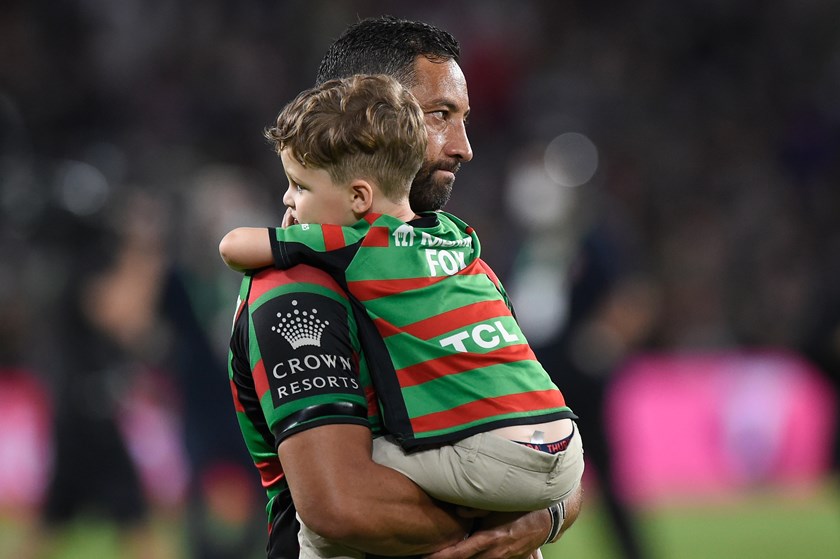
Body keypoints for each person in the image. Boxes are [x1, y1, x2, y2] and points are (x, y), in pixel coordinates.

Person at [225, 15, 583, 559]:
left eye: (463, 119)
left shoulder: (454, 257)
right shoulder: (298, 288)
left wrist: (547, 516)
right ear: (368, 116)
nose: (463, 147)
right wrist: (508, 531)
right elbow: (341, 505)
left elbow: (533, 437)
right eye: (439, 116)